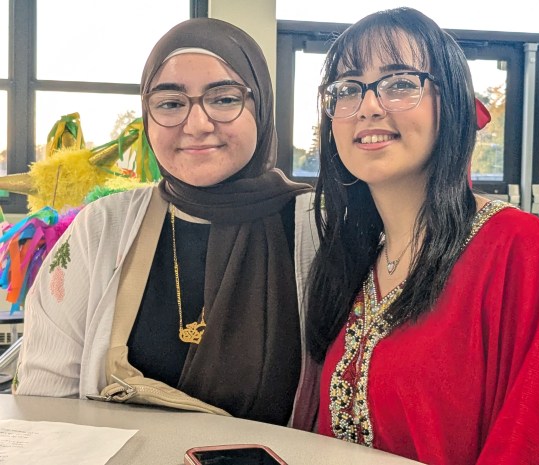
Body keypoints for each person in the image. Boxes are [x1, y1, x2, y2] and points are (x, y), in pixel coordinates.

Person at [305, 7, 539, 464]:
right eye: (347, 89)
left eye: (399, 83)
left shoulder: (518, 250)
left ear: (451, 104)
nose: (368, 106)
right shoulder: (354, 260)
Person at [14, 17, 317, 428]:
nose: (196, 125)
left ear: (260, 105)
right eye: (170, 103)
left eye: (224, 99)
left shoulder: (318, 228)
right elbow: (44, 401)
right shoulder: (102, 228)